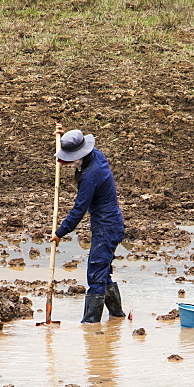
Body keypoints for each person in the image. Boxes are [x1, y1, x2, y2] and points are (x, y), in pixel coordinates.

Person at [51, 125, 126, 323]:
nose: (69, 165)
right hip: (111, 225)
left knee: (96, 274)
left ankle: (90, 324)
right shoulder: (97, 156)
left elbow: (78, 210)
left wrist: (60, 232)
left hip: (106, 228)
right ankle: (117, 317)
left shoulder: (90, 176)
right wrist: (65, 137)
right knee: (103, 272)